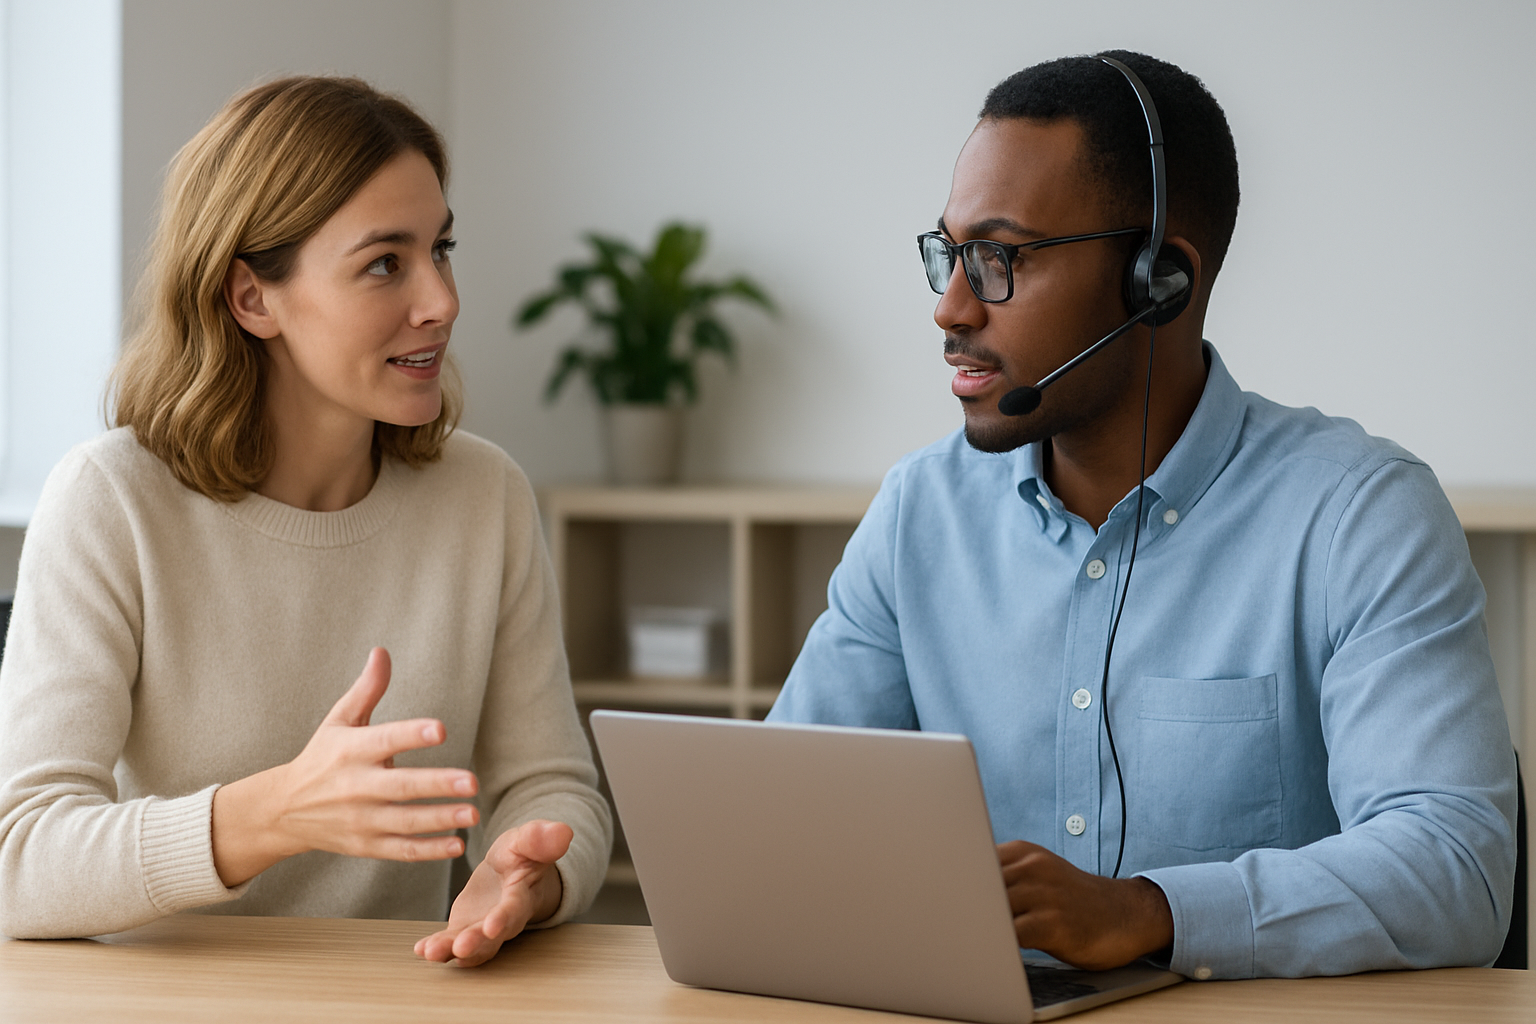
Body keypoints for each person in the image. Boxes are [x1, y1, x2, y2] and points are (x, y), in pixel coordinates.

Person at [768, 51, 1519, 979]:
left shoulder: (1359, 516)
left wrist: (1150, 912)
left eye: (1000, 259)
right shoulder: (919, 513)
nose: (951, 308)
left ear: (1159, 280)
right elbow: (780, 822)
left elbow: (1457, 872)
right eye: (949, 254)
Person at [0, 77, 612, 968]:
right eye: (385, 263)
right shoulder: (109, 501)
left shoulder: (486, 496)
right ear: (253, 299)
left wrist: (532, 876)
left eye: (441, 249)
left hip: (397, 995)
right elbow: (19, 856)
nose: (441, 300)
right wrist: (274, 814)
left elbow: (551, 786)